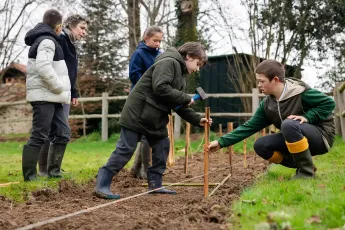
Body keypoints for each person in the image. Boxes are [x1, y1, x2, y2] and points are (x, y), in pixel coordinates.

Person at [94, 42, 212, 199]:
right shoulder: (169, 62)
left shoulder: (180, 76)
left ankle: (155, 185)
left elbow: (177, 105)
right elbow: (160, 87)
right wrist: (185, 97)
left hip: (154, 118)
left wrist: (198, 119)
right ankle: (102, 184)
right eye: (197, 64)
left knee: (162, 145)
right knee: (125, 149)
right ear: (189, 56)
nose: (197, 69)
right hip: (138, 113)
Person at [208, 60, 335, 179]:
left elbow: (329, 103)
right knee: (261, 145)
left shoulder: (300, 92)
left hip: (321, 136)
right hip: (295, 139)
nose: (259, 85)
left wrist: (307, 117)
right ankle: (306, 166)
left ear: (275, 80)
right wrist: (221, 142)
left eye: (262, 81)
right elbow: (249, 127)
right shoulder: (267, 105)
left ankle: (306, 174)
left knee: (289, 125)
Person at [22, 9, 71, 181]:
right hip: (45, 97)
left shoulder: (48, 40)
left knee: (63, 133)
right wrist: (58, 87)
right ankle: (29, 177)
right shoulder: (47, 41)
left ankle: (54, 173)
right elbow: (43, 66)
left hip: (52, 97)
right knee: (39, 136)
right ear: (58, 27)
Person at [37, 14, 88, 178]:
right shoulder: (60, 40)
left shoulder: (71, 44)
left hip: (65, 93)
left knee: (59, 131)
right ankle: (45, 170)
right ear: (71, 26)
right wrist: (58, 89)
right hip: (54, 92)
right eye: (82, 28)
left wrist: (73, 92)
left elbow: (70, 72)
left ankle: (53, 169)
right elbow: (53, 68)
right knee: (53, 131)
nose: (84, 32)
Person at [128, 25, 163, 179]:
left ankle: (136, 168)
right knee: (145, 134)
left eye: (160, 41)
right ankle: (146, 169)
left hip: (154, 99)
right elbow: (134, 75)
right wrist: (149, 87)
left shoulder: (159, 55)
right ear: (146, 38)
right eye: (155, 40)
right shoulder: (139, 54)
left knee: (146, 134)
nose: (158, 44)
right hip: (141, 98)